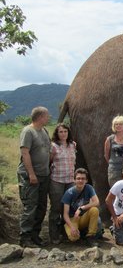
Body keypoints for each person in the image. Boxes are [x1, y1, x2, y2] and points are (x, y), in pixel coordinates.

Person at [17, 106, 51, 247]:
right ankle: (25, 238)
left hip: (44, 175)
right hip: (30, 175)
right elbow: (25, 153)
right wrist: (31, 174)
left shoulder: (44, 131)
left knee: (42, 206)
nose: (48, 118)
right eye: (47, 115)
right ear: (40, 117)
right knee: (30, 206)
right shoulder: (28, 131)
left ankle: (35, 235)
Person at [48, 123, 76, 244]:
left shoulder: (73, 145)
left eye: (65, 131)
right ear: (57, 134)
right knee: (56, 208)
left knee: (68, 208)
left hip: (70, 180)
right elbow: (49, 161)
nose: (63, 134)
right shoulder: (53, 146)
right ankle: (54, 235)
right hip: (57, 180)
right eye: (61, 132)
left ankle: (66, 233)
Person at [61, 168, 100, 247]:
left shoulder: (89, 188)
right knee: (74, 238)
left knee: (94, 210)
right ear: (74, 180)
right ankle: (75, 231)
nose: (80, 181)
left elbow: (97, 202)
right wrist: (72, 227)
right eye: (78, 178)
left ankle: (90, 236)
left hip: (83, 217)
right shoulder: (69, 193)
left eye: (83, 179)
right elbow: (65, 214)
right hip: (72, 219)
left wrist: (82, 208)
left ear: (86, 180)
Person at [104, 115, 123, 187]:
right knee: (115, 191)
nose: (118, 126)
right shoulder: (109, 139)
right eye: (116, 124)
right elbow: (106, 155)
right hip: (114, 170)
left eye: (120, 124)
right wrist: (112, 164)